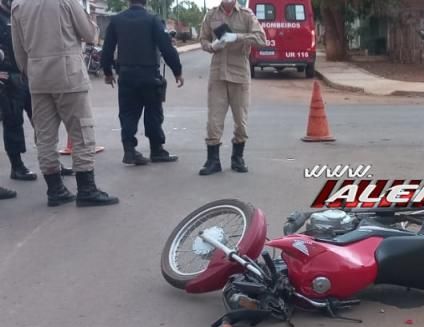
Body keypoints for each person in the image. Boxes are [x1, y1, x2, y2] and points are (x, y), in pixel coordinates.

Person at [11, 0, 118, 207]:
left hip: (38, 78)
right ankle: (86, 189)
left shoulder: (18, 4)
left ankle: (55, 190)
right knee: (81, 132)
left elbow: (18, 48)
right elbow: (89, 34)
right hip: (69, 75)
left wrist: (30, 71)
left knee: (45, 136)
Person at [101, 0, 184, 166]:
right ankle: (157, 150)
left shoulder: (117, 20)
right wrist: (177, 71)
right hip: (149, 75)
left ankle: (130, 151)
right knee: (153, 112)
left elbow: (107, 48)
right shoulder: (153, 20)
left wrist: (108, 72)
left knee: (128, 114)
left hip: (126, 75)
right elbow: (166, 47)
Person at [198, 0, 266, 176]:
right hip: (217, 74)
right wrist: (211, 46)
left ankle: (238, 158)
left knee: (241, 120)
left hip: (239, 74)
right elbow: (203, 38)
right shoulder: (212, 15)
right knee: (214, 120)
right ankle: (213, 161)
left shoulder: (246, 15)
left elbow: (261, 39)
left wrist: (237, 37)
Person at [0, 0, 36, 182]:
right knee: (13, 122)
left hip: (28, 73)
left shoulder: (22, 12)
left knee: (42, 120)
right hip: (8, 77)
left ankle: (50, 161)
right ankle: (17, 166)